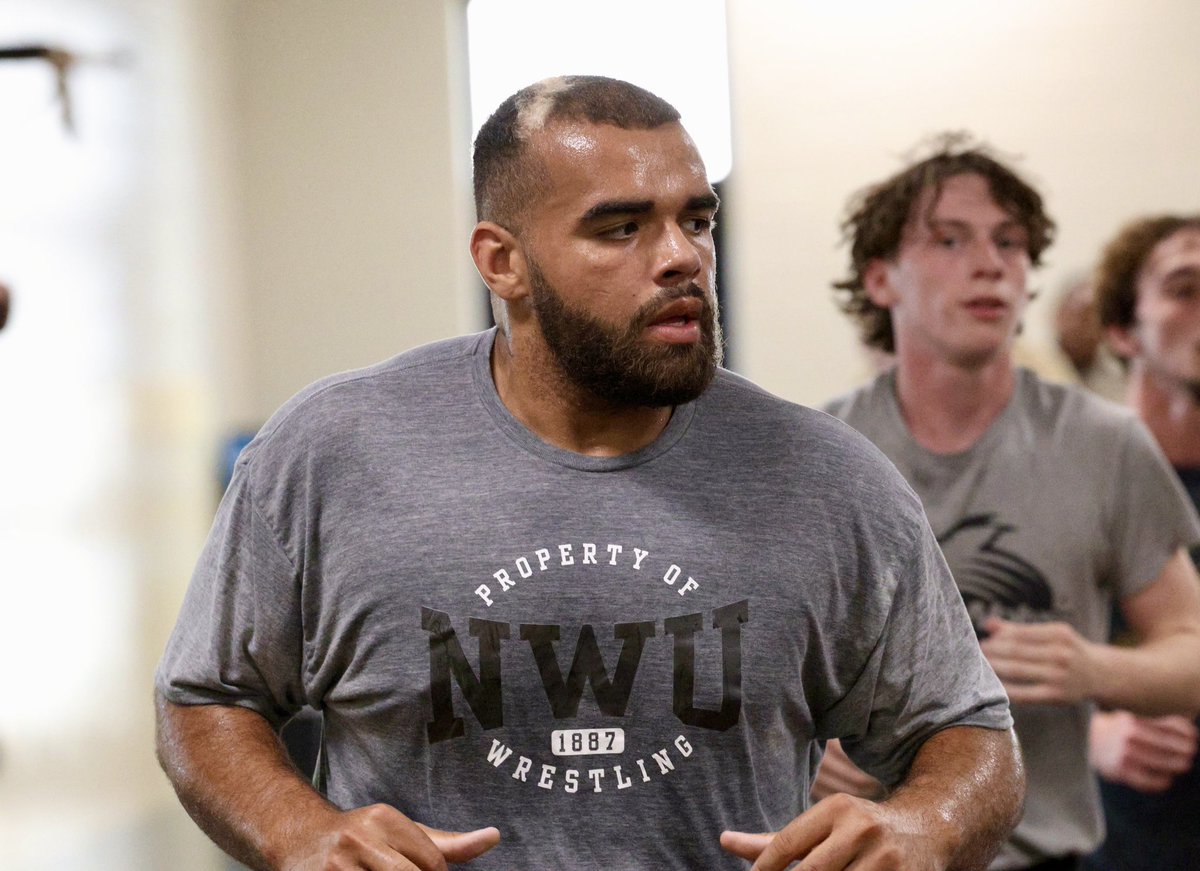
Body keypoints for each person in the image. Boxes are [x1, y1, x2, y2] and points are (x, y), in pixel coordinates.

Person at [155, 77, 1023, 871]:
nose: (682, 255)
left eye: (697, 218)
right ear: (502, 262)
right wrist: (299, 831)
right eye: (622, 227)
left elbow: (968, 729)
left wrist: (929, 825)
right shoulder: (331, 452)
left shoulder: (830, 479)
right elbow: (205, 694)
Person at [821, 135, 1200, 871]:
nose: (990, 262)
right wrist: (804, 741)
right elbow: (748, 669)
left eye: (1010, 242)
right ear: (880, 278)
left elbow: (1191, 648)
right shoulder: (822, 450)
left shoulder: (1104, 442)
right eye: (949, 239)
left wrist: (1093, 668)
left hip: (1045, 853)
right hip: (873, 851)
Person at [1084, 214, 1200, 871]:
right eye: (1185, 289)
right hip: (1113, 843)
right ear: (1124, 331)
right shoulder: (1072, 479)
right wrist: (1089, 735)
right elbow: (972, 670)